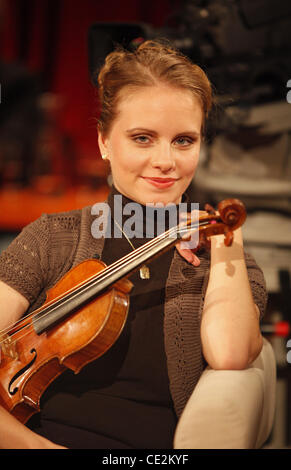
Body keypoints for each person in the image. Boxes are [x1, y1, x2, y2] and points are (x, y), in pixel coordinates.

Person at [0, 40, 266, 449]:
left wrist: (229, 236)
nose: (166, 160)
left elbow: (231, 354)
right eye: (143, 138)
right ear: (105, 142)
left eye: (183, 140)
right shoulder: (54, 237)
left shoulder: (222, 257)